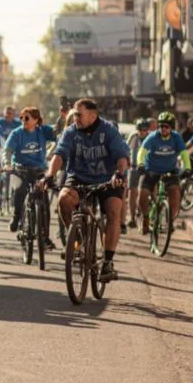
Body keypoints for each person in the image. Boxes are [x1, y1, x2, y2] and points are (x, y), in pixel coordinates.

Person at [41, 99, 129, 282]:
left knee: (113, 211)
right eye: (74, 114)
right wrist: (49, 175)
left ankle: (107, 262)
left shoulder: (108, 130)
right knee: (64, 199)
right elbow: (59, 154)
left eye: (79, 114)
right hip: (79, 176)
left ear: (93, 115)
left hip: (108, 178)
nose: (75, 118)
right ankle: (78, 241)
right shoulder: (71, 131)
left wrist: (119, 174)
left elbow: (121, 156)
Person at [2, 106, 56, 246]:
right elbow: (7, 151)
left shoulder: (43, 131)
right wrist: (7, 163)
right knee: (20, 190)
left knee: (44, 201)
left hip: (39, 170)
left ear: (36, 120)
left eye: (27, 118)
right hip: (21, 169)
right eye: (21, 118)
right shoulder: (16, 133)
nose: (23, 121)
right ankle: (16, 217)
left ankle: (45, 236)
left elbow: (59, 132)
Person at [137, 112, 190, 233]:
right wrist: (140, 164)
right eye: (161, 126)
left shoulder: (176, 137)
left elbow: (184, 153)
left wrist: (187, 168)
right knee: (143, 194)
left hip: (170, 171)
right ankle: (145, 218)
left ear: (171, 128)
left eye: (166, 126)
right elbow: (142, 151)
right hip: (151, 170)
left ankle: (170, 221)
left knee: (175, 192)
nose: (163, 129)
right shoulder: (152, 137)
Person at [125, 118, 152, 231]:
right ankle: (132, 218)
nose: (142, 132)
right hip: (134, 167)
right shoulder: (133, 136)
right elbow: (126, 149)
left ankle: (150, 215)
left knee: (148, 191)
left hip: (147, 168)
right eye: (140, 130)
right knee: (132, 192)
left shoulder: (151, 138)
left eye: (144, 130)